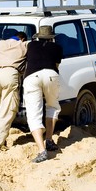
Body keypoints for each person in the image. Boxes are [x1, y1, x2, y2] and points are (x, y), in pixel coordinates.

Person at [23, 26, 63, 163]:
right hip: (51, 75)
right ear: (52, 37)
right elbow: (56, 65)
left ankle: (41, 151)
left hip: (32, 77)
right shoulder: (57, 47)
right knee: (52, 106)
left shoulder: (30, 45)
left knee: (34, 114)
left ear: (38, 36)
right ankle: (49, 140)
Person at [0, 31, 28, 151]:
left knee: (2, 109)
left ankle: (1, 138)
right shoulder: (24, 45)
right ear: (22, 39)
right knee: (7, 112)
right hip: (10, 75)